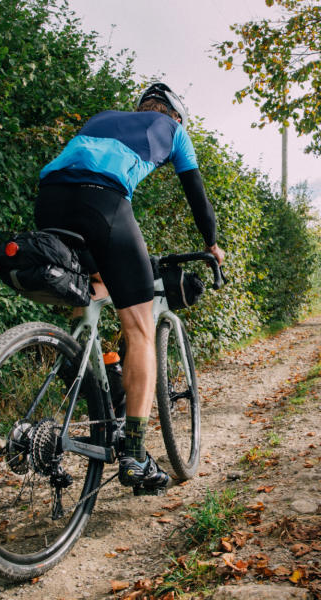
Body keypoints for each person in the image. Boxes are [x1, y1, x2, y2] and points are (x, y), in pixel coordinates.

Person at [34, 83, 225, 493]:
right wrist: (211, 244)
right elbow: (197, 196)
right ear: (175, 115)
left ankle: (100, 368)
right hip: (102, 202)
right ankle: (135, 456)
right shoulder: (173, 130)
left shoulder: (100, 120)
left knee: (95, 285)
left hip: (48, 200)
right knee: (139, 328)